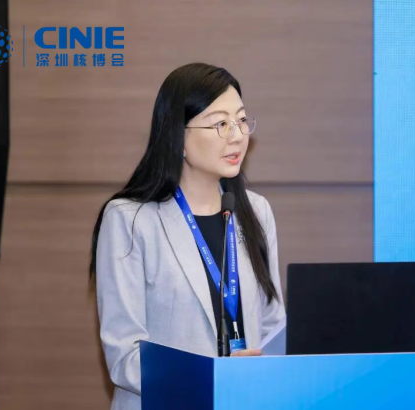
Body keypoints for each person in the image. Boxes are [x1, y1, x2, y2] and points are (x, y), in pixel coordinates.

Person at [89, 62, 286, 410]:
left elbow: (273, 325)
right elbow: (125, 357)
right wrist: (213, 377)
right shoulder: (130, 220)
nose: (237, 135)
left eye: (241, 120)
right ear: (178, 136)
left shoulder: (256, 211)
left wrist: (259, 372)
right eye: (221, 124)